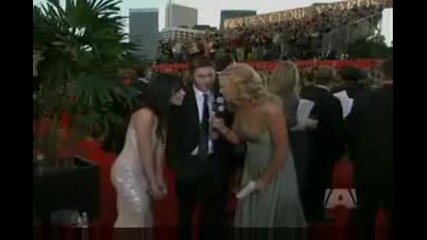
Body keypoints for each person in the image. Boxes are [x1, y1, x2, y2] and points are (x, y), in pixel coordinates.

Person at [212, 63, 306, 229]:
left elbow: (282, 149)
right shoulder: (240, 108)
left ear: (239, 86)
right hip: (252, 167)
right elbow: (236, 138)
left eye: (224, 87)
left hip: (276, 168)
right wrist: (222, 128)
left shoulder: (271, 109)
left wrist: (265, 180)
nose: (222, 91)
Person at [166, 56, 233, 240]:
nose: (206, 80)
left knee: (212, 213)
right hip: (188, 163)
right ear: (192, 76)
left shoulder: (222, 95)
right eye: (201, 76)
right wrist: (176, 165)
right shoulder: (180, 97)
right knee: (185, 213)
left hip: (214, 162)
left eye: (210, 75)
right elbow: (172, 134)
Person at [111, 73, 185, 228]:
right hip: (128, 171)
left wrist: (158, 178)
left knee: (145, 218)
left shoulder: (163, 115)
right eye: (178, 90)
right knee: (136, 214)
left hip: (144, 170)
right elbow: (144, 148)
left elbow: (159, 149)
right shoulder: (145, 114)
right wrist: (152, 181)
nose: (183, 94)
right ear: (165, 91)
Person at [347, 58, 393, 239]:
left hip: (367, 167)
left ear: (382, 73)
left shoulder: (364, 99)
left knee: (364, 216)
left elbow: (350, 132)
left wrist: (355, 155)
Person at [300, 66, 346, 223]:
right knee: (321, 182)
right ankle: (317, 214)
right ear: (332, 81)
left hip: (302, 147)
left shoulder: (303, 94)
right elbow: (337, 129)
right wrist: (339, 151)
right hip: (324, 150)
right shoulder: (332, 101)